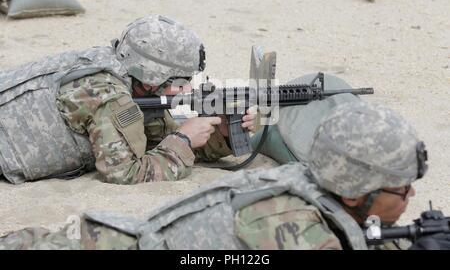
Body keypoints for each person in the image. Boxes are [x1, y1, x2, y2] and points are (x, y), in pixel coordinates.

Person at [0, 101, 432, 250]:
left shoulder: (304, 182)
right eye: (401, 188)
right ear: (355, 193)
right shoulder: (295, 231)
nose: (410, 196)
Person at [0, 15, 256, 185]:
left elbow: (155, 141)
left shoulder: (127, 74)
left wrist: (220, 133)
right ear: (153, 78)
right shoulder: (110, 97)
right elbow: (125, 172)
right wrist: (184, 139)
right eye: (180, 79)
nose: (187, 87)